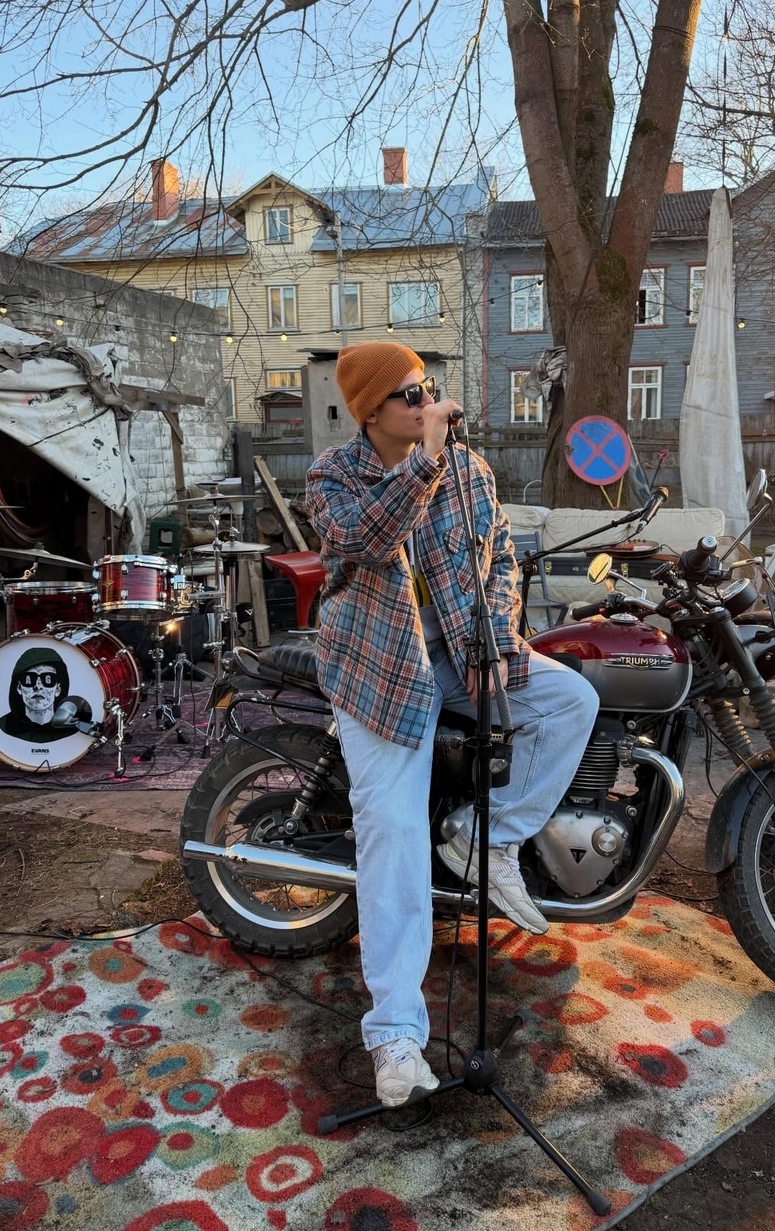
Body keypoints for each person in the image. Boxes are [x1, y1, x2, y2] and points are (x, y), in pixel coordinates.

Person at [305, 341, 599, 1108]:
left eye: (428, 387)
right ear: (371, 411)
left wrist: (493, 639)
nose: (427, 401)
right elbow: (365, 540)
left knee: (572, 701)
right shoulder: (335, 475)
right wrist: (425, 464)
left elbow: (499, 560)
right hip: (379, 671)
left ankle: (487, 837)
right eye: (410, 395)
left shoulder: (470, 470)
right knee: (394, 830)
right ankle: (395, 1035)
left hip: (462, 657)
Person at [0, 646, 76, 743]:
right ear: (19, 688)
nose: (38, 686)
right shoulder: (1, 726)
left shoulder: (74, 727)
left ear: (58, 689)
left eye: (48, 679)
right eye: (29, 679)